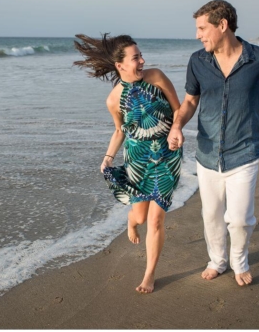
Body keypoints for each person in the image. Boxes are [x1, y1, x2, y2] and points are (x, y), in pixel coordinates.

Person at [169, 0, 259, 286]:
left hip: (245, 151)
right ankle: (217, 261)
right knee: (211, 216)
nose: (198, 35)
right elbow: (190, 101)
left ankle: (239, 261)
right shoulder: (197, 61)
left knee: (239, 220)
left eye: (202, 28)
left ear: (222, 25)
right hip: (208, 153)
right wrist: (177, 125)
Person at [73, 33, 182, 293]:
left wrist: (177, 129)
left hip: (167, 155)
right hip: (137, 160)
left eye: (141, 55)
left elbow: (178, 109)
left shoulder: (156, 77)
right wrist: (108, 158)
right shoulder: (113, 100)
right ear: (120, 65)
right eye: (136, 58)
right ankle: (131, 221)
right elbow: (120, 131)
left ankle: (149, 274)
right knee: (142, 218)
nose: (142, 61)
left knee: (156, 220)